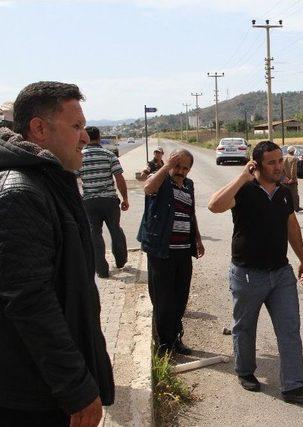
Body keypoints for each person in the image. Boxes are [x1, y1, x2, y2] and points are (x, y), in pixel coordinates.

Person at [0, 81, 114, 426]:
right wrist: (76, 389)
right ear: (39, 128)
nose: (85, 137)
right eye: (76, 126)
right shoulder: (20, 193)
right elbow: (31, 303)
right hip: (33, 397)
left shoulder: (50, 180)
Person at [208, 140, 303, 403]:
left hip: (281, 273)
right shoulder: (244, 191)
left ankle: (293, 385)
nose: (279, 166)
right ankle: (245, 371)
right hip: (247, 275)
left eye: (280, 161)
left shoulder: (283, 193)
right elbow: (214, 205)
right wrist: (241, 177)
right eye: (272, 162)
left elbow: (292, 225)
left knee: (289, 329)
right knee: (245, 328)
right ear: (256, 165)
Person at [137, 148, 205, 355]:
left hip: (183, 251)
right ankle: (164, 344)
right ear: (170, 163)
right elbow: (148, 188)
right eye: (177, 165)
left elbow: (190, 213)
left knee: (180, 298)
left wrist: (198, 238)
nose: (180, 171)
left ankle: (175, 338)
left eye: (185, 168)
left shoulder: (188, 185)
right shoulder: (160, 179)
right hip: (161, 251)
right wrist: (166, 166)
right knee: (162, 299)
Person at [78, 126, 129, 278]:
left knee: (94, 233)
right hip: (109, 201)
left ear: (86, 138)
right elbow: (119, 178)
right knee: (115, 229)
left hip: (89, 202)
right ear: (99, 138)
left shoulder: (80, 156)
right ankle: (120, 261)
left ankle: (101, 269)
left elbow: (73, 179)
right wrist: (125, 198)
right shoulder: (108, 155)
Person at [282, 145, 303, 212]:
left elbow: (281, 169)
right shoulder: (294, 158)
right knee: (294, 195)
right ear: (293, 151)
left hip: (284, 180)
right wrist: (293, 178)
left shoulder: (283, 158)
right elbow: (293, 169)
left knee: (285, 194)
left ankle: (285, 207)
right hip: (292, 181)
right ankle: (296, 208)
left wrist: (284, 177)